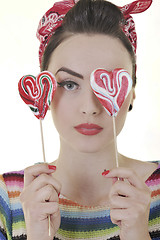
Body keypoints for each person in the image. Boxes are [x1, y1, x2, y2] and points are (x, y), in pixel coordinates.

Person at [0, 0, 160, 239]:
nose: (90, 108)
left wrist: (139, 233)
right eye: (70, 84)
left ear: (132, 92)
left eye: (108, 83)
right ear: (44, 92)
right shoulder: (9, 197)